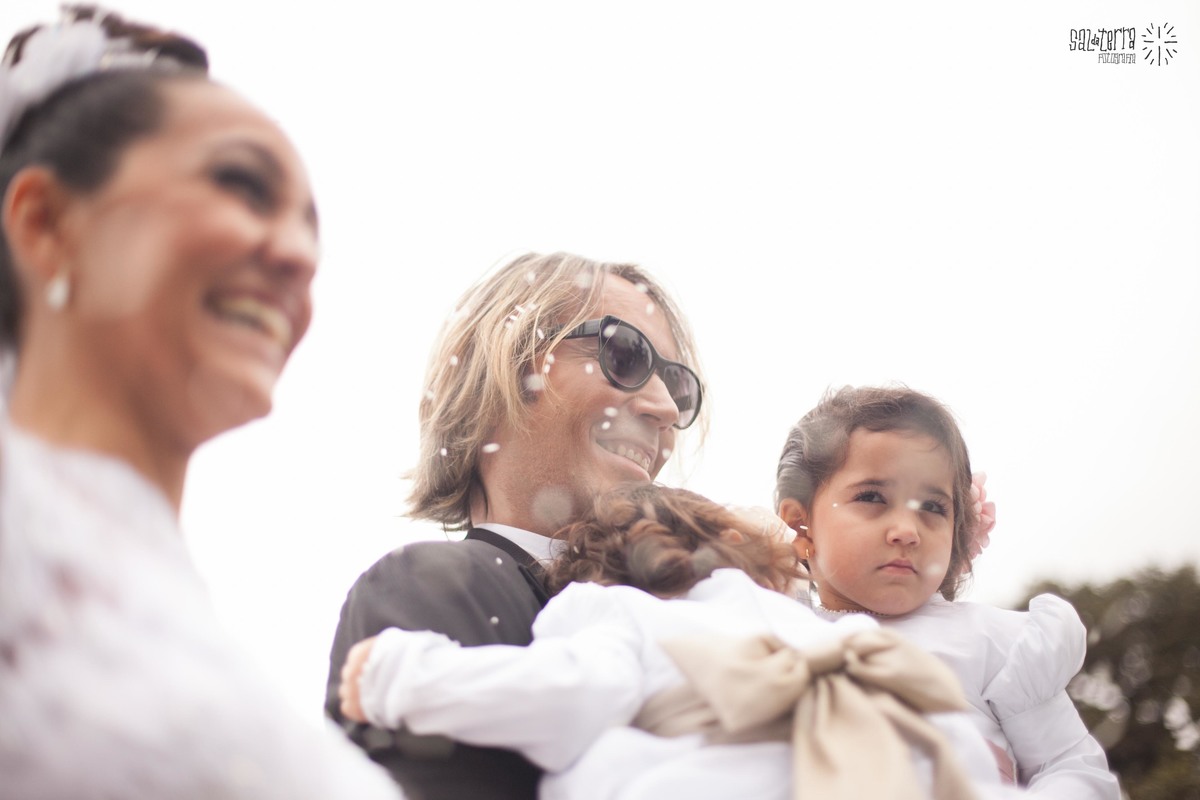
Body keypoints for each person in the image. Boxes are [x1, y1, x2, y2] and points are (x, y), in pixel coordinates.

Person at [0, 7, 401, 798]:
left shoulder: (179, 606)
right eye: (241, 184)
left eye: (311, 231)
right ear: (46, 224)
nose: (298, 256)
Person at [336, 483, 1027, 800]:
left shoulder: (613, 610)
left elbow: (571, 696)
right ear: (731, 542)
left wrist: (401, 674)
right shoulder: (814, 628)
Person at [325, 251, 705, 798]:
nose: (666, 408)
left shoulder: (697, 603)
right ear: (505, 366)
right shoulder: (436, 584)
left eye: (678, 384)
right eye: (625, 354)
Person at [774, 385, 1121, 798]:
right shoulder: (776, 642)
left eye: (933, 507)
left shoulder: (990, 643)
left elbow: (1070, 766)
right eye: (872, 497)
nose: (907, 531)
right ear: (800, 526)